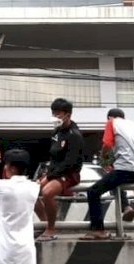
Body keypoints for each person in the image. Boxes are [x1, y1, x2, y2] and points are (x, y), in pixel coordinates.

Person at [82, 108, 134, 240]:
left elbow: (107, 144)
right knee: (113, 180)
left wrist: (103, 158)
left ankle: (98, 230)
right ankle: (126, 207)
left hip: (124, 170)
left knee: (93, 192)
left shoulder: (111, 123)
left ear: (110, 117)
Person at [34, 98, 83, 242]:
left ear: (67, 115)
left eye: (58, 114)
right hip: (54, 172)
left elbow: (70, 162)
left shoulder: (74, 135)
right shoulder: (56, 132)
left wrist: (50, 177)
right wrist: (47, 174)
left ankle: (51, 229)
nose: (55, 117)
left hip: (70, 174)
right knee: (32, 193)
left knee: (47, 193)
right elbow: (53, 157)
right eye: (53, 113)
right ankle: (45, 223)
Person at [0, 149, 39, 264]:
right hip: (26, 249)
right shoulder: (34, 187)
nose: (4, 167)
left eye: (6, 165)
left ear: (12, 168)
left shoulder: (0, 186)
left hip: (5, 250)